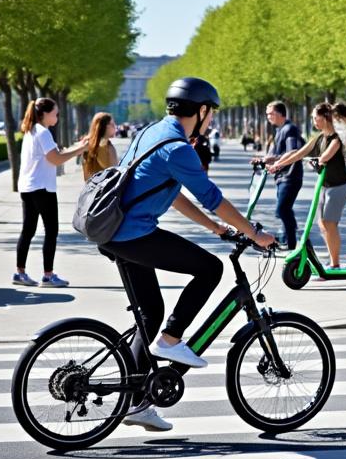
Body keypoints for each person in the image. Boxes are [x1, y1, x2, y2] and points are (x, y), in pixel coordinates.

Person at [100, 77, 275, 431]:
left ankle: (136, 403)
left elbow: (175, 194)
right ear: (202, 110)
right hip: (133, 234)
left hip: (115, 232)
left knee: (150, 314)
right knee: (210, 269)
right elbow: (211, 197)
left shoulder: (153, 132)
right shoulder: (178, 148)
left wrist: (217, 229)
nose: (210, 121)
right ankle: (172, 340)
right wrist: (253, 233)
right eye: (210, 114)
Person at [268, 102, 346, 270]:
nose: (314, 121)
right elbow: (298, 153)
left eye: (316, 118)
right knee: (322, 224)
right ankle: (332, 262)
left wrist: (318, 160)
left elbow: (327, 156)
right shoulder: (319, 138)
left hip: (339, 185)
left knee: (329, 223)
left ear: (325, 118)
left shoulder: (335, 139)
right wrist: (278, 164)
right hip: (325, 185)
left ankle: (335, 264)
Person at [13, 97, 87, 289]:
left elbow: (53, 155)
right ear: (45, 114)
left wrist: (78, 147)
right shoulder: (43, 132)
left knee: (28, 230)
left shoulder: (31, 131)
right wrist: (81, 149)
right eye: (55, 113)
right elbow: (56, 159)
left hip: (28, 187)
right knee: (51, 230)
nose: (57, 116)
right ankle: (48, 275)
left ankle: (19, 272)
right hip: (42, 188)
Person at [254, 101, 304, 250]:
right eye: (267, 114)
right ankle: (290, 237)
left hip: (290, 176)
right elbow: (275, 153)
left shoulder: (289, 129)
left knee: (282, 209)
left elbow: (292, 151)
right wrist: (263, 160)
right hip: (281, 177)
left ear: (282, 114)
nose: (269, 116)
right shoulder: (280, 130)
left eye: (272, 113)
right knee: (286, 209)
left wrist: (273, 159)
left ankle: (291, 243)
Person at [81, 112, 119, 181]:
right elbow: (114, 173)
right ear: (106, 127)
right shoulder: (106, 147)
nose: (115, 127)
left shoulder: (87, 145)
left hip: (92, 189)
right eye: (113, 124)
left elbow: (86, 177)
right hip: (107, 189)